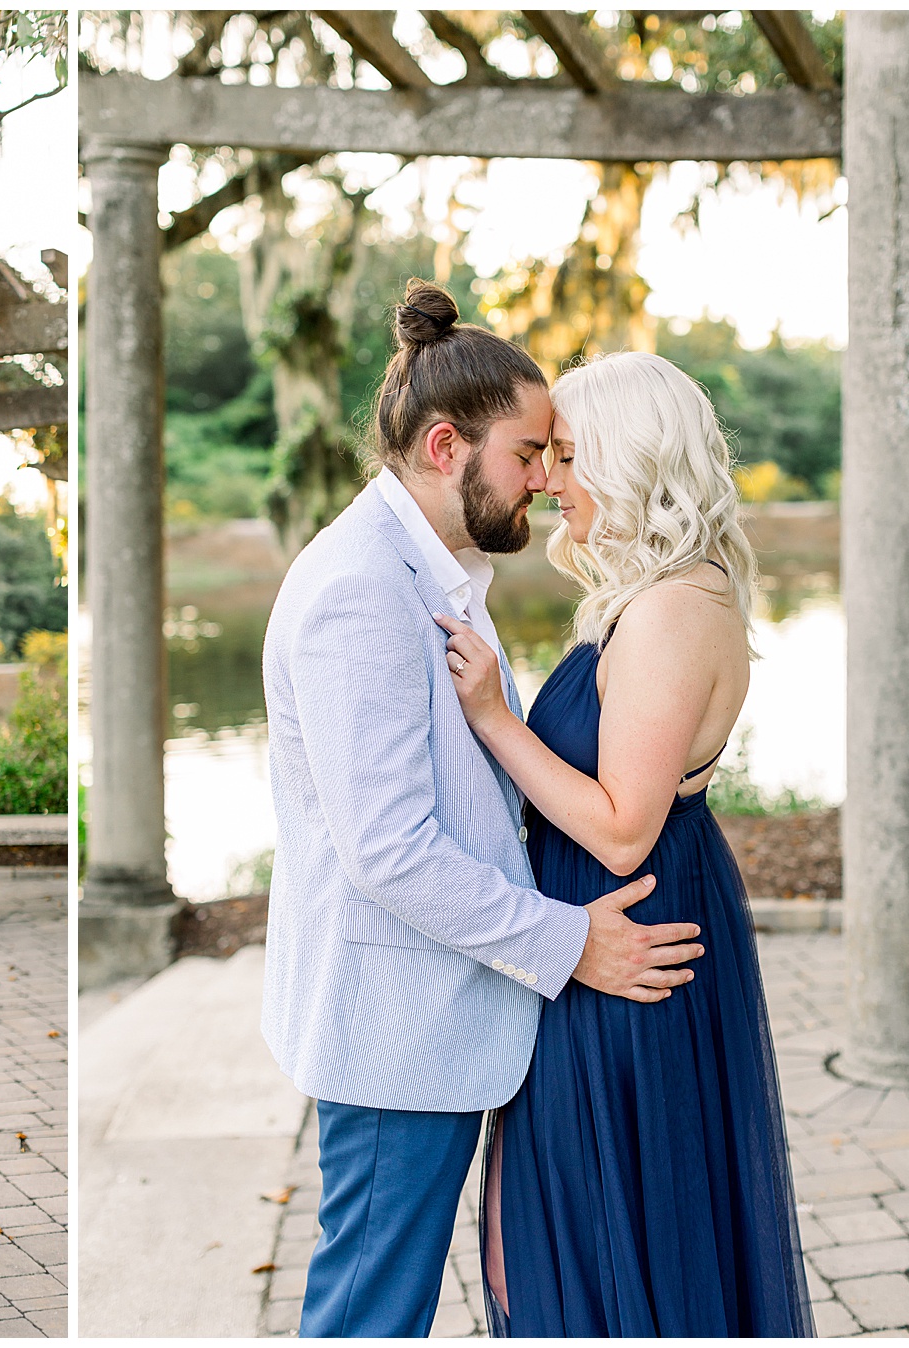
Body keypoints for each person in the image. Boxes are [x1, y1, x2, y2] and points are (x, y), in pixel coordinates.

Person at [260, 280, 708, 1338]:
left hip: (459, 1012)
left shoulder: (445, 567)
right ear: (447, 446)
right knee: (370, 1314)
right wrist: (569, 942)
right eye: (529, 454)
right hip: (394, 1029)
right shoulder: (358, 589)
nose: (544, 479)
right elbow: (389, 851)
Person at [436, 349, 812, 1336]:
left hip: (628, 941)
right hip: (603, 940)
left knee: (601, 1220)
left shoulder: (673, 611)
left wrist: (491, 716)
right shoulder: (663, 593)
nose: (547, 479)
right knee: (565, 1213)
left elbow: (619, 829)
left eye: (565, 454)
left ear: (628, 457)